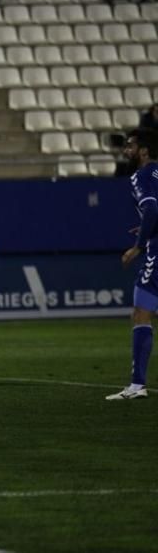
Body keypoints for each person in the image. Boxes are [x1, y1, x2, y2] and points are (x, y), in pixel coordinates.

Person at [107, 128, 158, 400]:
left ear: (144, 151)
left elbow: (151, 208)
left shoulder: (141, 174)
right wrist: (143, 228)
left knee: (141, 310)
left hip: (156, 250)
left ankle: (137, 385)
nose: (126, 151)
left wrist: (138, 245)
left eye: (130, 146)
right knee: (142, 308)